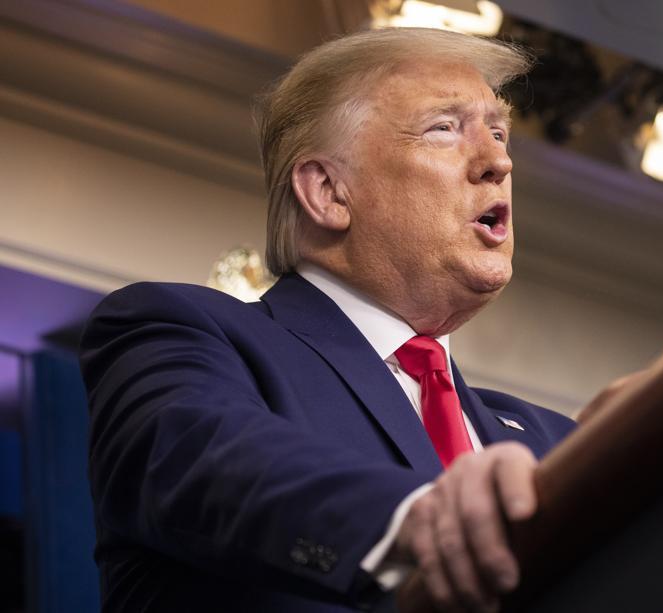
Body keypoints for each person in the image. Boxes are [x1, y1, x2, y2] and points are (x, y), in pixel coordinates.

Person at [80, 27, 576, 612]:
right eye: (445, 128)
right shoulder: (183, 331)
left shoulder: (551, 441)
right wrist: (417, 522)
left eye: (498, 131)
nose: (499, 160)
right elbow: (200, 461)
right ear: (328, 192)